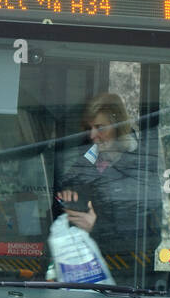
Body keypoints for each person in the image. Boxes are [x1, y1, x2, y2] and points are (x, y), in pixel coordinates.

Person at [55, 93, 160, 286]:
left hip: (125, 278)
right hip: (82, 275)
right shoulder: (85, 164)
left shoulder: (141, 168)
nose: (93, 136)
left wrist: (96, 228)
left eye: (100, 128)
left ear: (118, 126)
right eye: (90, 129)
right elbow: (63, 198)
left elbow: (151, 236)